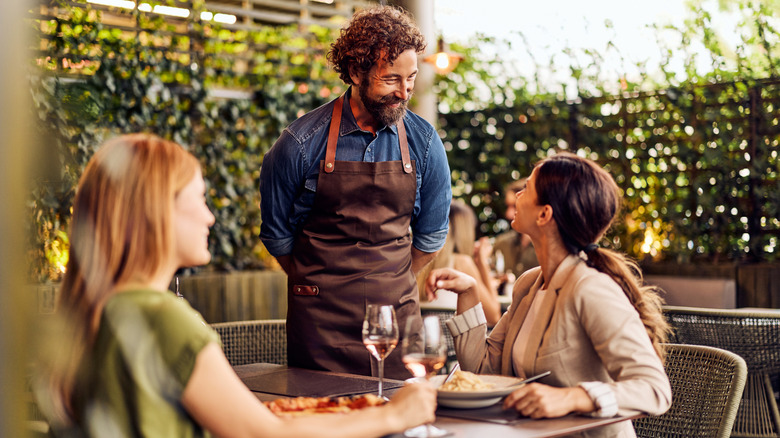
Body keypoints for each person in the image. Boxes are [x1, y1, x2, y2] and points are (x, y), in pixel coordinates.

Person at [34, 134, 436, 438]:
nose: (209, 217)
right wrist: (394, 415)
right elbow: (262, 434)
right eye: (199, 199)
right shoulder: (162, 319)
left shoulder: (93, 312)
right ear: (158, 212)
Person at [259, 5, 451, 379]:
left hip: (395, 324)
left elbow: (431, 236)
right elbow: (277, 236)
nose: (404, 92)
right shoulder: (299, 144)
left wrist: (390, 280)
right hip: (319, 326)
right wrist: (317, 284)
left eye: (411, 78)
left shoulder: (425, 143)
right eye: (391, 79)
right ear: (354, 72)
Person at [425, 152, 671, 437]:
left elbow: (654, 388)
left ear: (544, 214)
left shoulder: (590, 287)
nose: (518, 194)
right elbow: (482, 370)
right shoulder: (530, 284)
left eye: (527, 188)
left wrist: (571, 397)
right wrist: (469, 292)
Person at [420, 199, 502, 326]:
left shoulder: (420, 262)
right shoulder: (462, 263)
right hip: (452, 339)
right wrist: (482, 261)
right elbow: (494, 316)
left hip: (423, 336)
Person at [491, 178, 538, 284]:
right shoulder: (501, 243)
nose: (508, 214)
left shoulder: (550, 248)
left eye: (515, 206)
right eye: (508, 206)